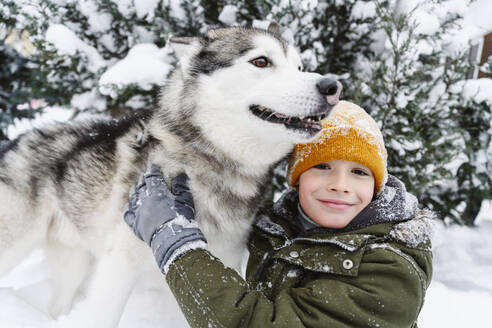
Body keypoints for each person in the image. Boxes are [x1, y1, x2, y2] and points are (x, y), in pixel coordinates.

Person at [124, 100, 434, 328]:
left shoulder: (391, 269)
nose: (340, 185)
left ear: (377, 183)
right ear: (297, 177)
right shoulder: (276, 227)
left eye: (359, 172)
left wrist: (175, 243)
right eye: (322, 166)